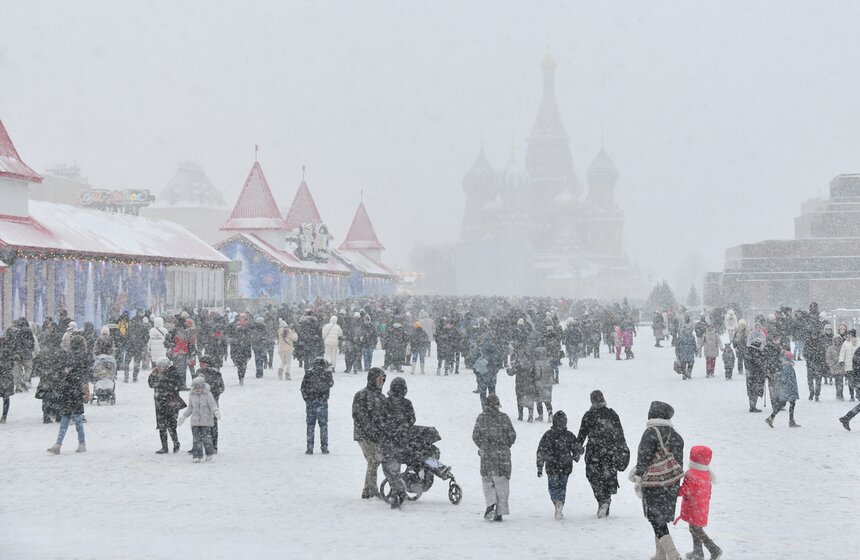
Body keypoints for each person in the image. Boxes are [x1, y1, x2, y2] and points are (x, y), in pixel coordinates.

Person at [630, 401, 685, 560]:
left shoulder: (650, 432)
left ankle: (674, 555)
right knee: (660, 519)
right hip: (671, 483)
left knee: (656, 520)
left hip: (654, 483)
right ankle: (661, 555)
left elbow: (643, 458)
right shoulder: (676, 436)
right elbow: (678, 463)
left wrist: (639, 478)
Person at [575, 390, 630, 518]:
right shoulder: (612, 414)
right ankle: (606, 501)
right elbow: (620, 434)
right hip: (610, 452)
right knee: (608, 477)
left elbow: (581, 435)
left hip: (594, 451)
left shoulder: (589, 415)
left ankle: (602, 500)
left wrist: (577, 449)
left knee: (593, 476)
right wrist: (622, 449)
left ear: (592, 401)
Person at [472, 394, 516, 522]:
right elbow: (512, 435)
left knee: (488, 481)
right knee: (502, 483)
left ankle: (490, 503)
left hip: (487, 456)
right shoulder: (504, 418)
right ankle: (500, 511)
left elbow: (475, 436)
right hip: (503, 457)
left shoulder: (481, 418)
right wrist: (505, 445)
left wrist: (483, 446)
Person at [674, 445, 722, 560]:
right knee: (694, 528)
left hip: (693, 507)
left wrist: (674, 491)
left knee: (696, 529)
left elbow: (685, 490)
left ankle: (714, 549)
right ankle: (697, 552)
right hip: (702, 507)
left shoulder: (691, 474)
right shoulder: (706, 474)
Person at [47, 335, 90, 454]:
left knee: (65, 419)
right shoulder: (84, 357)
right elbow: (87, 373)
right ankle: (82, 443)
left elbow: (61, 371)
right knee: (78, 419)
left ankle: (58, 444)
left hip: (66, 390)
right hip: (77, 391)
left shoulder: (67, 356)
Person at [536, 410, 581, 520]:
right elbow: (576, 450)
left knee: (552, 487)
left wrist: (540, 467)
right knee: (562, 487)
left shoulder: (548, 435)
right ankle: (560, 502)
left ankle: (556, 502)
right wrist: (577, 454)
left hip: (551, 466)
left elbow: (541, 451)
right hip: (565, 466)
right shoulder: (569, 435)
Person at [380, 377, 416, 508]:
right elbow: (412, 420)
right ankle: (398, 490)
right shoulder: (407, 403)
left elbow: (381, 420)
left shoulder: (386, 403)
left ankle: (397, 492)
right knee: (396, 468)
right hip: (401, 441)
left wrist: (389, 429)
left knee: (389, 470)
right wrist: (402, 428)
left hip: (388, 440)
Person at [352, 367, 387, 498]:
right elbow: (359, 416)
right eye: (379, 379)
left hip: (376, 435)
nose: (381, 382)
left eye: (383, 379)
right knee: (373, 459)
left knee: (374, 460)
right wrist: (371, 431)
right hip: (364, 435)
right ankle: (371, 490)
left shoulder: (382, 397)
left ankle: (368, 490)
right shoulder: (362, 395)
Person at [177, 375, 221, 462]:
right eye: (196, 387)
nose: (198, 389)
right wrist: (183, 417)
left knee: (206, 438)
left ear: (203, 386)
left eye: (199, 387)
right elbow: (190, 408)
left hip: (206, 421)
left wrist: (216, 412)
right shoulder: (192, 395)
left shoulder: (208, 394)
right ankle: (197, 456)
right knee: (196, 439)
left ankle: (209, 453)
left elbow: (213, 404)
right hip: (195, 422)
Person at [148, 357, 185, 454]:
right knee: (161, 425)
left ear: (166, 366)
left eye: (161, 366)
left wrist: (162, 382)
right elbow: (151, 384)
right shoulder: (158, 374)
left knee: (171, 425)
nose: (159, 368)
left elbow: (177, 385)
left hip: (170, 403)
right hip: (159, 403)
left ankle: (176, 443)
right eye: (158, 366)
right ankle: (164, 446)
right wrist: (152, 375)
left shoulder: (173, 373)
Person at [301, 356, 334, 454]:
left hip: (311, 402)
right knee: (323, 425)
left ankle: (310, 447)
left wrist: (307, 399)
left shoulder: (309, 373)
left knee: (310, 425)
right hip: (322, 401)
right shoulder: (326, 373)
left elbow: (303, 388)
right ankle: (324, 447)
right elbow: (331, 384)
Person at [196, 355, 225, 453]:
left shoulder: (216, 374)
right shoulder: (198, 373)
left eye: (202, 363)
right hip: (199, 403)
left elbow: (221, 388)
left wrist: (210, 393)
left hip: (211, 404)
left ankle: (213, 446)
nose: (200, 365)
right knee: (198, 425)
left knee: (212, 425)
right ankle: (198, 445)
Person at [766, 352, 800, 428]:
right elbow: (785, 379)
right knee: (790, 404)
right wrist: (790, 384)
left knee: (783, 404)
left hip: (787, 389)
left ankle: (771, 417)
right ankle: (790, 421)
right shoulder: (787, 367)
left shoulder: (786, 366)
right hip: (789, 389)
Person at [533, 347, 554, 422]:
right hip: (548, 384)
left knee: (539, 401)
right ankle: (550, 413)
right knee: (547, 400)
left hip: (539, 384)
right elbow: (551, 374)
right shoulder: (548, 362)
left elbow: (537, 375)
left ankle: (540, 415)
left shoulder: (537, 363)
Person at [0, 333, 13, 423]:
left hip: (3, 375)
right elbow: (12, 363)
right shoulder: (9, 351)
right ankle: (4, 416)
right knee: (6, 398)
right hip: (6, 377)